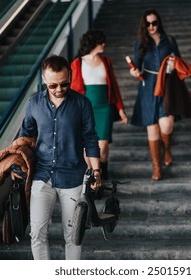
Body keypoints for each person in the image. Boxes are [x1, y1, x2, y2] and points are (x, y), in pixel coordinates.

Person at [18, 54, 101, 260]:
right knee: (37, 233)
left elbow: (90, 138)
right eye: (53, 85)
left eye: (64, 84)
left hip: (73, 176)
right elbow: (25, 136)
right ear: (44, 79)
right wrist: (16, 164)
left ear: (70, 76)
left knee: (73, 235)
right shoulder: (33, 104)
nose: (58, 89)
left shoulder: (82, 103)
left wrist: (97, 170)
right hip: (41, 175)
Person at [129, 9, 181, 181]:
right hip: (149, 85)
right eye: (148, 24)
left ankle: (166, 148)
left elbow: (179, 60)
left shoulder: (170, 40)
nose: (151, 27)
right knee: (152, 127)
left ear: (159, 23)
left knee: (166, 125)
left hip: (167, 84)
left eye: (154, 23)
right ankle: (157, 167)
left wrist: (175, 65)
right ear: (144, 25)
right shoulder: (140, 42)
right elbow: (135, 65)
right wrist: (134, 72)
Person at [71, 29, 128, 180]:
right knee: (87, 147)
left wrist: (120, 108)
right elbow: (73, 90)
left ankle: (102, 172)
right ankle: (92, 180)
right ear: (93, 43)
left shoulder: (106, 61)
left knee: (102, 147)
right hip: (85, 110)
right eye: (101, 41)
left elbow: (114, 86)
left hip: (105, 108)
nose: (104, 44)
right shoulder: (77, 63)